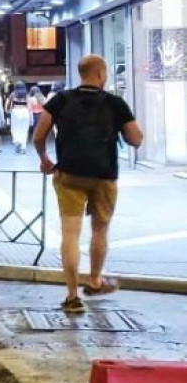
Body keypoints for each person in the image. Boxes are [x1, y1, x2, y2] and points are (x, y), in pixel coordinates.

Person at [34, 56, 143, 314]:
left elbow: (39, 135)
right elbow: (136, 139)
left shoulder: (60, 100)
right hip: (104, 176)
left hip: (69, 174)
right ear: (102, 74)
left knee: (70, 234)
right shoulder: (115, 103)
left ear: (80, 73)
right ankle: (94, 280)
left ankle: (72, 296)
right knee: (99, 231)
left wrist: (44, 159)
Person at [8, 82, 32, 153]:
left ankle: (17, 141)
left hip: (15, 112)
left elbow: (10, 104)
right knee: (24, 130)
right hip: (25, 111)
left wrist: (9, 111)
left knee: (15, 129)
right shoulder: (27, 95)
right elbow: (29, 107)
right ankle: (23, 148)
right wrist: (31, 118)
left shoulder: (13, 94)